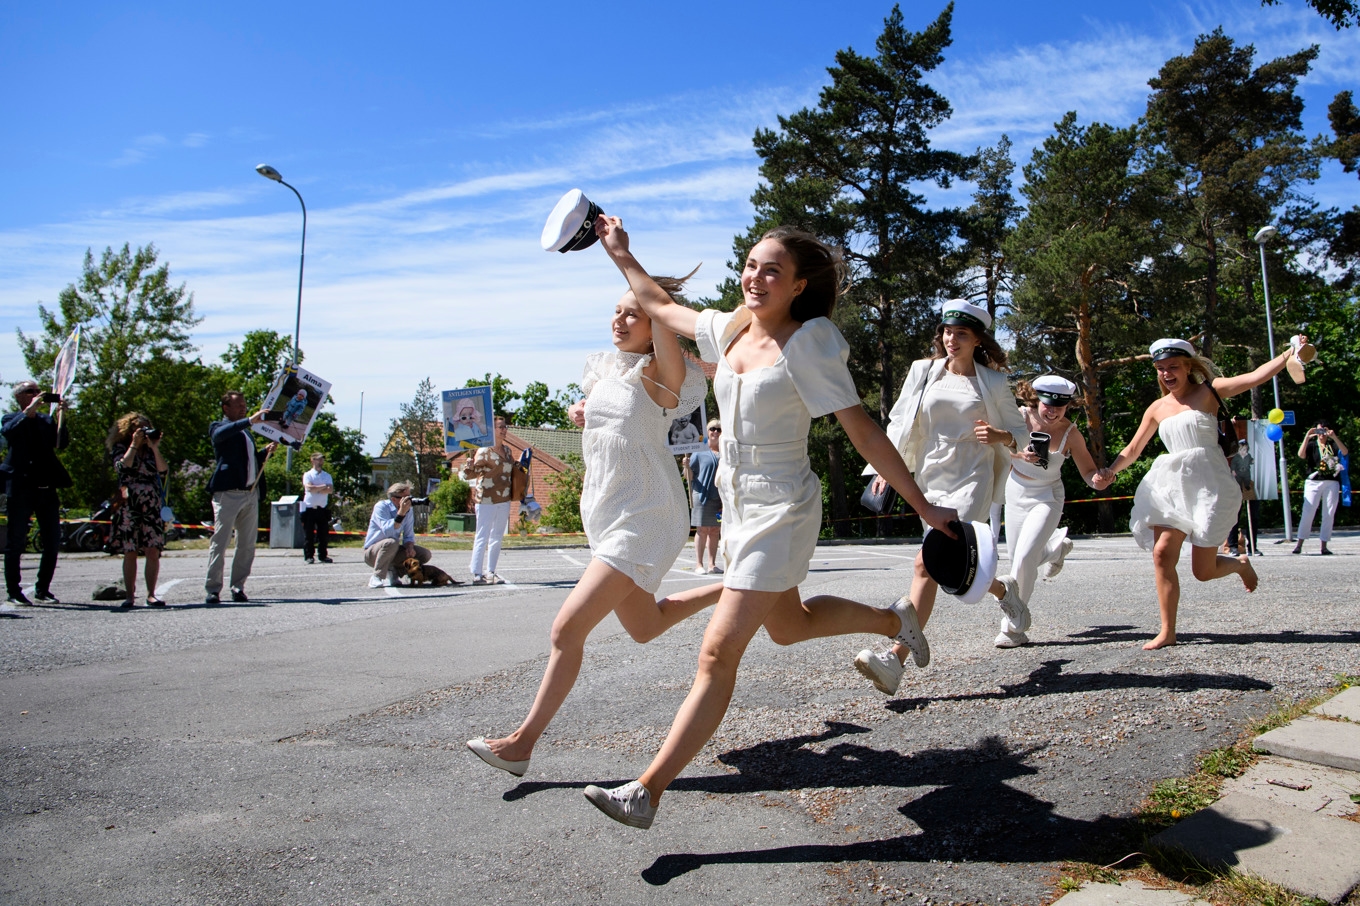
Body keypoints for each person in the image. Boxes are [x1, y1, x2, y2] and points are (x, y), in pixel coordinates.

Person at [578, 217, 957, 830]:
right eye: (751, 265)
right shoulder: (730, 328)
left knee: (717, 651)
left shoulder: (810, 343)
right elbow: (659, 305)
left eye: (772, 270)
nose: (755, 277)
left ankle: (646, 791)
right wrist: (620, 251)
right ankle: (896, 619)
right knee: (789, 625)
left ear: (799, 285)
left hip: (783, 505)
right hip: (738, 503)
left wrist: (922, 505)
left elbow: (862, 430)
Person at [466, 266, 723, 779]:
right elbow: (613, 421)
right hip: (607, 511)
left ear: (655, 324)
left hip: (646, 514)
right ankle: (736, 587)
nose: (620, 320)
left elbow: (657, 348)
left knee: (567, 629)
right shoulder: (609, 372)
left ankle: (520, 743)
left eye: (634, 314)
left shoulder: (662, 374)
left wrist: (624, 258)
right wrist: (583, 411)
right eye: (617, 311)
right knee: (646, 626)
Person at [853, 301, 1031, 693]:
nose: (952, 339)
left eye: (961, 334)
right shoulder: (923, 370)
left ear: (978, 340)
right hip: (930, 474)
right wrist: (884, 468)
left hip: (972, 474)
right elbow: (900, 421)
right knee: (949, 568)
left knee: (927, 563)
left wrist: (1000, 436)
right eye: (948, 332)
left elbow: (1022, 434)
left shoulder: (993, 382)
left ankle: (895, 660)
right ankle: (1004, 591)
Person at [1096, 337, 1302, 649]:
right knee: (1162, 553)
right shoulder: (1157, 408)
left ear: (1188, 367)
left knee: (1203, 572)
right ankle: (1167, 631)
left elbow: (1256, 376)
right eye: (1161, 368)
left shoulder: (1209, 390)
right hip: (1171, 485)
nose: (1167, 373)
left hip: (1210, 484)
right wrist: (1110, 471)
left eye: (1173, 367)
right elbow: (1134, 448)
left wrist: (1290, 352)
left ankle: (1239, 564)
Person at [992, 376, 1105, 648]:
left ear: (1068, 406)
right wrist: (1019, 455)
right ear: (1036, 400)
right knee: (1019, 558)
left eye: (1060, 407)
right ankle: (1055, 549)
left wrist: (1099, 480)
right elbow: (995, 448)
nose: (1053, 412)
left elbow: (1089, 472)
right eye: (1048, 405)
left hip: (1048, 496)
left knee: (1024, 558)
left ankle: (1013, 628)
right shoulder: (1018, 418)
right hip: (1016, 492)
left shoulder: (1071, 433)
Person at [1, 380, 71, 606]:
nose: (37, 394)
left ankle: (43, 589)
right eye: (30, 391)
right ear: (20, 396)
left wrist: (61, 417)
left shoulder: (45, 420)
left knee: (52, 540)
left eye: (38, 391)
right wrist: (29, 411)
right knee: (16, 541)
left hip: (45, 486)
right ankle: (14, 591)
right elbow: (9, 433)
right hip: (21, 487)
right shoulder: (11, 418)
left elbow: (60, 443)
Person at [204, 391, 277, 605]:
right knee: (220, 542)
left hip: (249, 493)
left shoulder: (246, 433)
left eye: (244, 405)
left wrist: (264, 452)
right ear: (226, 408)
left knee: (246, 544)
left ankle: (238, 586)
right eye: (239, 405)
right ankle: (213, 588)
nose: (243, 408)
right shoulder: (219, 427)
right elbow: (220, 436)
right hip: (228, 493)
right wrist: (250, 421)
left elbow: (249, 461)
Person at [107, 413, 169, 609]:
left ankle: (151, 594)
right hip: (129, 502)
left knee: (153, 549)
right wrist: (134, 445)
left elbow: (163, 471)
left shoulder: (150, 450)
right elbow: (121, 467)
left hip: (151, 502)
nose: (144, 432)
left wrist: (154, 447)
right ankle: (129, 596)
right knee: (130, 550)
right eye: (140, 429)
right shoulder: (120, 447)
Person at [460, 416, 513, 584]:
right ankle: (477, 572)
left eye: (505, 427)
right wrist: (469, 466)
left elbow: (511, 471)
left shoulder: (508, 451)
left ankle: (491, 571)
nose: (504, 430)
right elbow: (471, 474)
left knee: (497, 536)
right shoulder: (484, 451)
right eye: (500, 427)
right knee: (482, 535)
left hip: (504, 498)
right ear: (492, 430)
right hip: (486, 499)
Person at [1293, 420, 1347, 555]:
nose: (1321, 434)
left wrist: (1334, 437)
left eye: (1324, 430)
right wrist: (1307, 436)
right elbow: (1301, 455)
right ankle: (1299, 544)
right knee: (1308, 511)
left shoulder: (1332, 445)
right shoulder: (1312, 445)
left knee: (1329, 513)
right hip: (1314, 481)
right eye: (1319, 431)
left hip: (1331, 481)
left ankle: (1324, 545)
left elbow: (1345, 452)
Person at [363, 481, 432, 586]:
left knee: (424, 554)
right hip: (373, 553)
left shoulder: (409, 510)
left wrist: (409, 547)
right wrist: (401, 513)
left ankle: (394, 573)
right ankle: (377, 576)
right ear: (394, 499)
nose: (409, 500)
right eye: (405, 498)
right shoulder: (381, 507)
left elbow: (408, 535)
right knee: (391, 542)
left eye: (409, 497)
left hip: (392, 550)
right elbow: (388, 531)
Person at [682, 420, 722, 574]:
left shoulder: (725, 452)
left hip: (720, 498)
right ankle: (699, 564)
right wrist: (686, 466)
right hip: (702, 496)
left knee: (715, 530)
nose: (715, 432)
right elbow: (689, 476)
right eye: (712, 429)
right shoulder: (699, 451)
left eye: (719, 429)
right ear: (707, 431)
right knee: (702, 529)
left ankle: (712, 564)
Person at [1225, 429, 1260, 557]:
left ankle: (1253, 546)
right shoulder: (1235, 458)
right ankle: (1233, 546)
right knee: (1235, 515)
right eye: (1241, 448)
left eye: (1245, 448)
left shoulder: (1249, 456)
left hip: (1248, 482)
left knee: (1254, 515)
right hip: (1236, 483)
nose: (1243, 450)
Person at [301, 452, 334, 564]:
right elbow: (309, 488)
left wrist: (317, 488)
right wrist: (323, 486)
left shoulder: (327, 475)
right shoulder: (308, 475)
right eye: (318, 459)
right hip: (309, 508)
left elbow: (330, 490)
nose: (321, 462)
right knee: (309, 534)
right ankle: (309, 556)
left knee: (323, 534)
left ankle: (323, 555)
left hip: (322, 508)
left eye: (322, 459)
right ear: (313, 460)